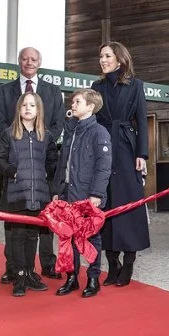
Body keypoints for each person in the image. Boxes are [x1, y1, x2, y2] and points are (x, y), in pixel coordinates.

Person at [0, 47, 65, 283]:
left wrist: (42, 141)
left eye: (34, 59)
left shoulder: (53, 92)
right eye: (25, 58)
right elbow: (2, 122)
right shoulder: (5, 91)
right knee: (14, 222)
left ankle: (47, 264)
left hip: (42, 164)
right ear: (18, 62)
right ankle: (13, 267)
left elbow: (57, 123)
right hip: (15, 166)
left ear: (40, 62)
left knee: (43, 220)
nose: (29, 62)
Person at [91, 41, 149, 286]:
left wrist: (142, 154)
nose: (103, 60)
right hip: (103, 149)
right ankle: (112, 263)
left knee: (128, 205)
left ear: (120, 58)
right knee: (106, 206)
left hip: (126, 149)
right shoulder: (96, 86)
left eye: (107, 55)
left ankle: (128, 263)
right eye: (101, 55)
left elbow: (143, 122)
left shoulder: (135, 86)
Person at [0, 93, 58, 296]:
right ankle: (19, 275)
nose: (28, 108)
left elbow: (53, 161)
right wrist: (14, 172)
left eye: (32, 105)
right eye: (24, 105)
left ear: (39, 110)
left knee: (32, 235)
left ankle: (30, 272)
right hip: (16, 194)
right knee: (17, 235)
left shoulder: (46, 136)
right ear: (18, 109)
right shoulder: (8, 134)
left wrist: (47, 177)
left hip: (38, 195)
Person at [53, 89, 112, 298]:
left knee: (91, 238)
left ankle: (93, 278)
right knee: (67, 238)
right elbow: (63, 164)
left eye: (77, 101)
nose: (73, 104)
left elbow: (104, 167)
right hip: (68, 194)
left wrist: (96, 193)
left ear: (90, 106)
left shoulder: (99, 133)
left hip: (88, 196)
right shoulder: (72, 131)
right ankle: (72, 278)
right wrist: (58, 191)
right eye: (73, 101)